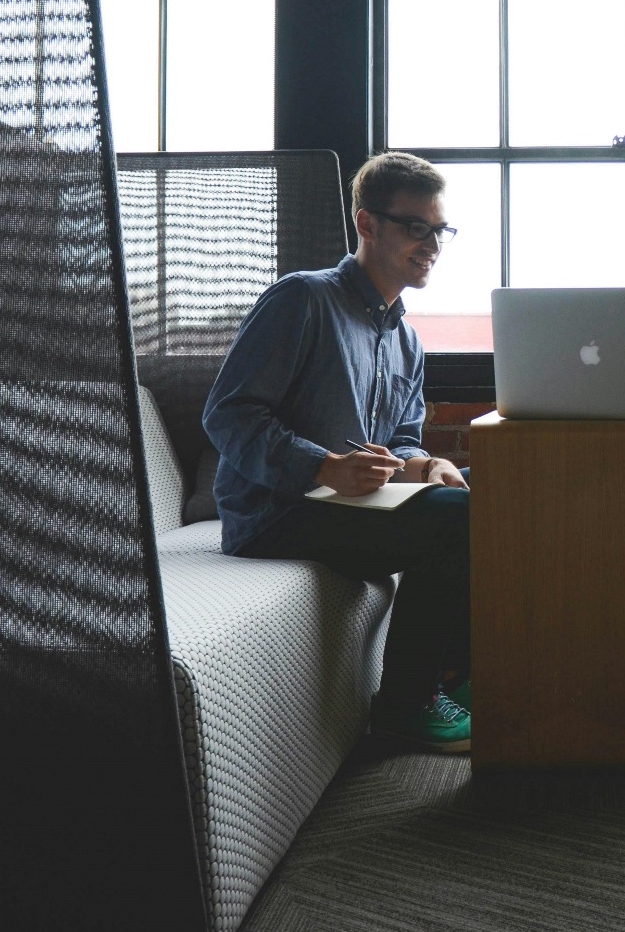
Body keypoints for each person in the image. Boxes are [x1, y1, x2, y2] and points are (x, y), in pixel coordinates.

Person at [203, 151, 474, 752]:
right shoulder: (302, 299)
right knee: (461, 519)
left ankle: (457, 673)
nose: (431, 244)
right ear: (367, 223)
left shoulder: (406, 339)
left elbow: (401, 438)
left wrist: (424, 464)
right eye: (415, 227)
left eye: (440, 230)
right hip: (277, 514)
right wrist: (323, 467)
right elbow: (228, 414)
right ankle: (406, 706)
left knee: (490, 489)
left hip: (354, 506)